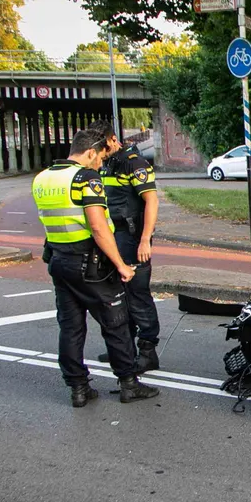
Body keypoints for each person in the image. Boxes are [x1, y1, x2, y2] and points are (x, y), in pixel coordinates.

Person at [32, 127, 161, 407]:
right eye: (99, 158)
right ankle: (128, 383)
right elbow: (98, 227)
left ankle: (78, 388)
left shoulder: (43, 178)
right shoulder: (85, 178)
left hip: (59, 260)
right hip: (90, 263)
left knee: (70, 327)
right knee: (115, 322)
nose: (101, 163)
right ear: (90, 153)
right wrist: (120, 265)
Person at [97, 122, 162, 371]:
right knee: (118, 295)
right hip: (115, 237)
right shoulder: (108, 163)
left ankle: (148, 351)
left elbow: (151, 201)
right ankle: (125, 348)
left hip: (132, 238)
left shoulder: (135, 164)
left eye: (103, 146)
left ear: (113, 140)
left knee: (137, 295)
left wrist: (145, 239)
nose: (101, 152)